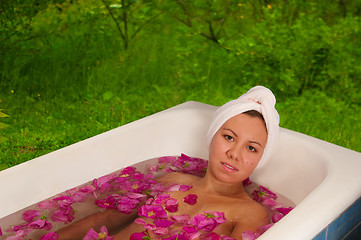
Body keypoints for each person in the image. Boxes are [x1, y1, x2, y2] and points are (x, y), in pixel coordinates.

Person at [57, 85, 280, 239]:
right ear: (212, 137)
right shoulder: (172, 180)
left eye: (251, 148)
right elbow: (105, 219)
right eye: (229, 137)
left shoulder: (251, 212)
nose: (234, 153)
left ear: (260, 158)